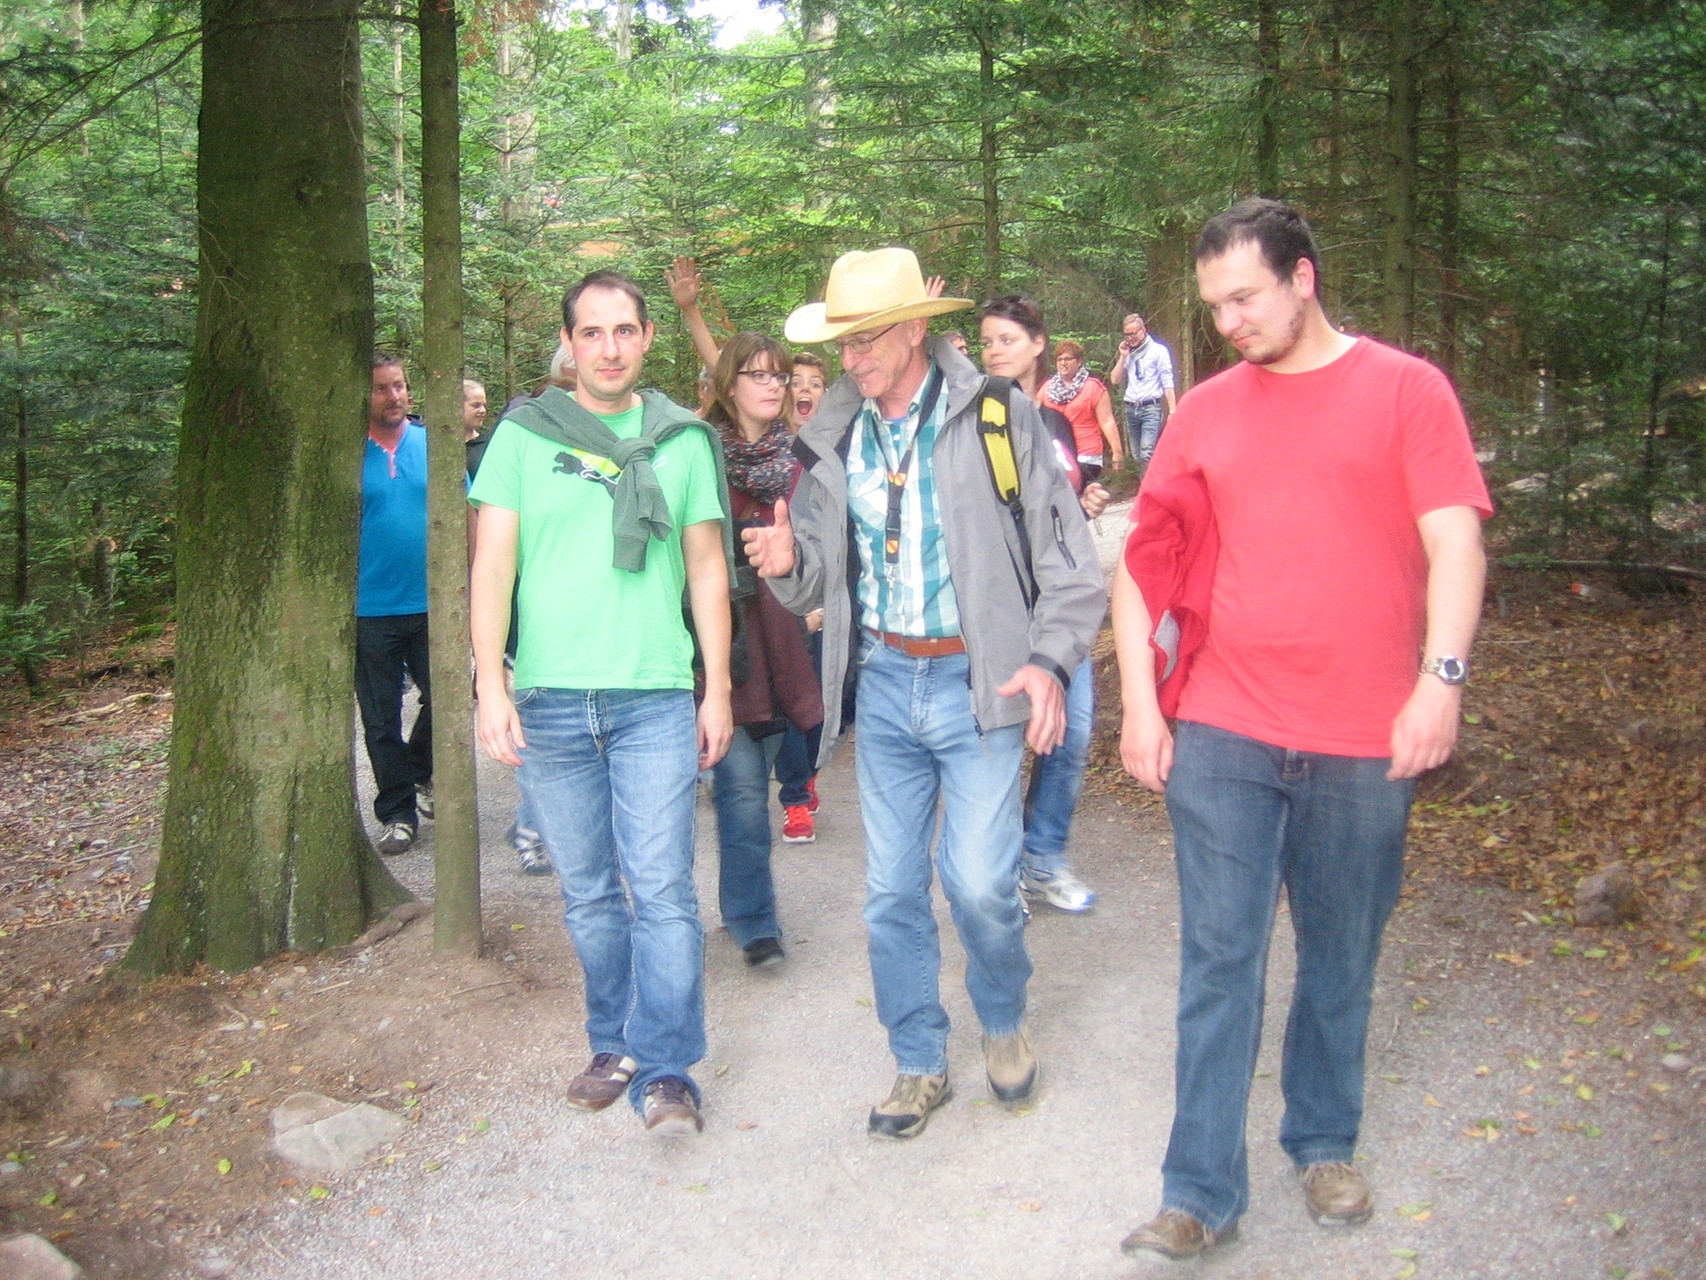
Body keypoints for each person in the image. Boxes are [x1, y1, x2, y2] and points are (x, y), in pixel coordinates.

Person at [1111, 198, 1490, 1260]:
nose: (1227, 319)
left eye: (1244, 296)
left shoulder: (1406, 390)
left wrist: (1439, 681)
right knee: (1218, 959)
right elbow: (1143, 564)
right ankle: (1195, 1191)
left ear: (1302, 277)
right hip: (1224, 724)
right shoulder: (1203, 412)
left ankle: (1322, 1135)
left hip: (1363, 733)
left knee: (1339, 949)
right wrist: (1142, 703)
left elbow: (1454, 545)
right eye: (1212, 304)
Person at [745, 247, 1105, 1139]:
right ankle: (917, 1058)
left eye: (866, 338)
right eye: (841, 341)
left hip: (977, 685)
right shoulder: (833, 437)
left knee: (980, 883)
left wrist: (1051, 662)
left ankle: (1005, 1017)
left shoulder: (997, 416)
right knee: (890, 892)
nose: (850, 357)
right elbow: (826, 573)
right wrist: (791, 570)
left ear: (913, 330)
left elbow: (1069, 559)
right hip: (886, 679)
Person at [469, 269, 734, 1137]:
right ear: (570, 344)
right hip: (549, 698)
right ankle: (611, 1040)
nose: (610, 349)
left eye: (625, 331)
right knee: (587, 891)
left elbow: (705, 571)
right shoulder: (522, 435)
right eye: (593, 333)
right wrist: (490, 683)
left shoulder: (683, 440)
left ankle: (666, 1068)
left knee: (661, 888)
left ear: (648, 337)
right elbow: (492, 568)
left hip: (653, 693)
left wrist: (718, 687)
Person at [979, 295, 1109, 913]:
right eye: (987, 343)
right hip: (1005, 610)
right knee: (1004, 742)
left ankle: (1043, 859)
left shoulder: (1053, 423)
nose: (995, 351)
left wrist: (1085, 502)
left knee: (1073, 733)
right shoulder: (975, 423)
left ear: (1037, 344)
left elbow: (1064, 495)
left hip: (1058, 606)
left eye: (1007, 339)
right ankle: (999, 875)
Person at [702, 333, 824, 967]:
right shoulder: (700, 453)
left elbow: (826, 533)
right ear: (728, 385)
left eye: (780, 375)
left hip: (790, 635)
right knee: (742, 788)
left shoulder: (800, 455)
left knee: (789, 769)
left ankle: (748, 906)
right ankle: (754, 921)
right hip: (729, 642)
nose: (775, 386)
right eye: (759, 376)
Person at [463, 373, 552, 877]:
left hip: (562, 631)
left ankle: (531, 821)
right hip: (522, 634)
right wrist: (489, 668)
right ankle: (530, 828)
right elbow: (488, 563)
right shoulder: (498, 467)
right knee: (541, 737)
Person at [357, 354, 432, 856]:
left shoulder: (432, 443)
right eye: (382, 389)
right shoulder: (346, 453)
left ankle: (419, 771)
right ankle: (398, 812)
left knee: (446, 699)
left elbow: (468, 512)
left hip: (432, 602)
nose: (394, 396)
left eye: (399, 386)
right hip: (369, 607)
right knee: (381, 717)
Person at [1041, 340, 1124, 481]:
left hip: (1087, 454)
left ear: (1079, 362)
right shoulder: (1047, 389)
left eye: (1068, 359)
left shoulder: (1093, 387)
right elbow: (1036, 420)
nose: (1063, 363)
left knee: (1082, 497)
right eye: (1059, 359)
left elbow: (1107, 421)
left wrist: (1117, 452)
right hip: (1057, 454)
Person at [1109, 312, 1177, 464]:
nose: (1130, 338)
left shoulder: (1158, 351)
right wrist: (1123, 356)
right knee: (1137, 455)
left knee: (1147, 453)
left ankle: (1147, 488)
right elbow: (1114, 379)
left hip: (1150, 408)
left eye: (1133, 333)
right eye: (1127, 334)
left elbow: (1167, 380)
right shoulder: (1128, 354)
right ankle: (1147, 485)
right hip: (1131, 408)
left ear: (1143, 330)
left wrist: (1172, 410)